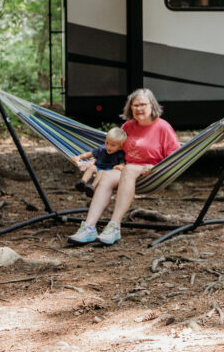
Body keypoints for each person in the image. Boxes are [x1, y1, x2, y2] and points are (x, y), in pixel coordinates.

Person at [68, 88, 180, 246]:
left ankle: (114, 226)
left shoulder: (163, 127)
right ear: (130, 108)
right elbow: (112, 149)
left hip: (151, 172)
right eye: (135, 105)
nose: (139, 108)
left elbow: (175, 157)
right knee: (107, 175)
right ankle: (89, 228)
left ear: (152, 105)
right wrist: (93, 161)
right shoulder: (127, 126)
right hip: (125, 169)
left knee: (129, 169)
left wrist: (155, 167)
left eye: (143, 104)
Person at [73, 127, 128, 197]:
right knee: (91, 167)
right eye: (107, 143)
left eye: (113, 145)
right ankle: (82, 182)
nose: (108, 146)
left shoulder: (120, 154)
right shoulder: (102, 149)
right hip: (98, 168)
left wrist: (119, 166)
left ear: (120, 147)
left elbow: (123, 164)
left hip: (108, 172)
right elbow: (90, 154)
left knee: (101, 172)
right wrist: (79, 157)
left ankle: (92, 187)